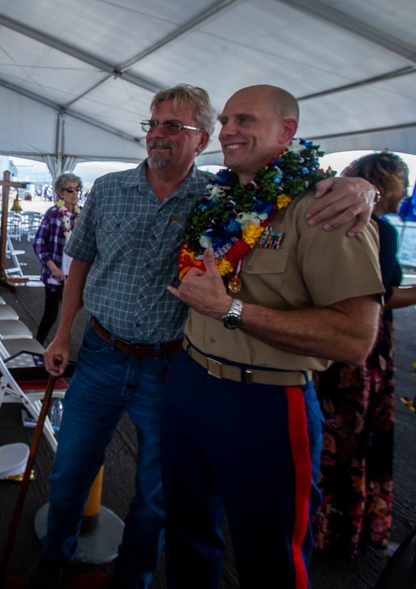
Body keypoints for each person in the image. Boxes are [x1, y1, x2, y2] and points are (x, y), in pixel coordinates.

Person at [27, 84, 377, 589]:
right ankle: (55, 554)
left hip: (173, 366)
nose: (158, 135)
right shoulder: (116, 189)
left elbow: (299, 189)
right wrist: (63, 336)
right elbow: (80, 261)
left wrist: (357, 186)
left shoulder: (218, 196)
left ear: (202, 139)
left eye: (174, 126)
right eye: (153, 124)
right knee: (74, 469)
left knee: (161, 494)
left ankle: (135, 576)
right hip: (110, 353)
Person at [163, 85, 384, 589]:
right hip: (190, 381)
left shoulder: (326, 209)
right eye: (223, 121)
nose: (227, 131)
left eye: (244, 119)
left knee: (270, 554)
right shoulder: (219, 196)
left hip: (265, 400)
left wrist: (231, 309)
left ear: (287, 132)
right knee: (186, 534)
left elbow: (354, 339)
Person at [314, 152, 416, 557]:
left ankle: (317, 522)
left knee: (326, 438)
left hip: (325, 347)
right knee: (357, 438)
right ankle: (347, 527)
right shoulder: (380, 230)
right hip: (363, 352)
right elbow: (380, 298)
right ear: (389, 184)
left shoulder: (328, 220)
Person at [31, 172, 82, 343]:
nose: (75, 193)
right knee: (51, 314)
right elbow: (38, 243)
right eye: (70, 190)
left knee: (70, 317)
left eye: (77, 189)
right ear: (60, 194)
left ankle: (62, 348)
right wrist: (53, 268)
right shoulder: (53, 213)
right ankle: (36, 348)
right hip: (55, 274)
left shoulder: (81, 216)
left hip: (74, 275)